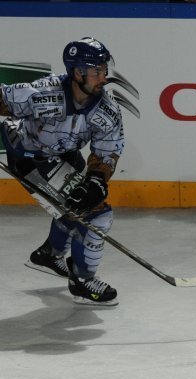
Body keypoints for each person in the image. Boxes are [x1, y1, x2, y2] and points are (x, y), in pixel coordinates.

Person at [1, 36, 125, 306]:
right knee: (98, 215)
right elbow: (4, 99)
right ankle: (82, 281)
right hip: (31, 158)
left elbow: (107, 152)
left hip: (65, 154)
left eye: (104, 70)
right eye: (96, 71)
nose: (103, 77)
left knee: (79, 200)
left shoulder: (107, 109)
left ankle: (49, 254)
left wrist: (96, 181)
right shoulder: (44, 93)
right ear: (77, 72)